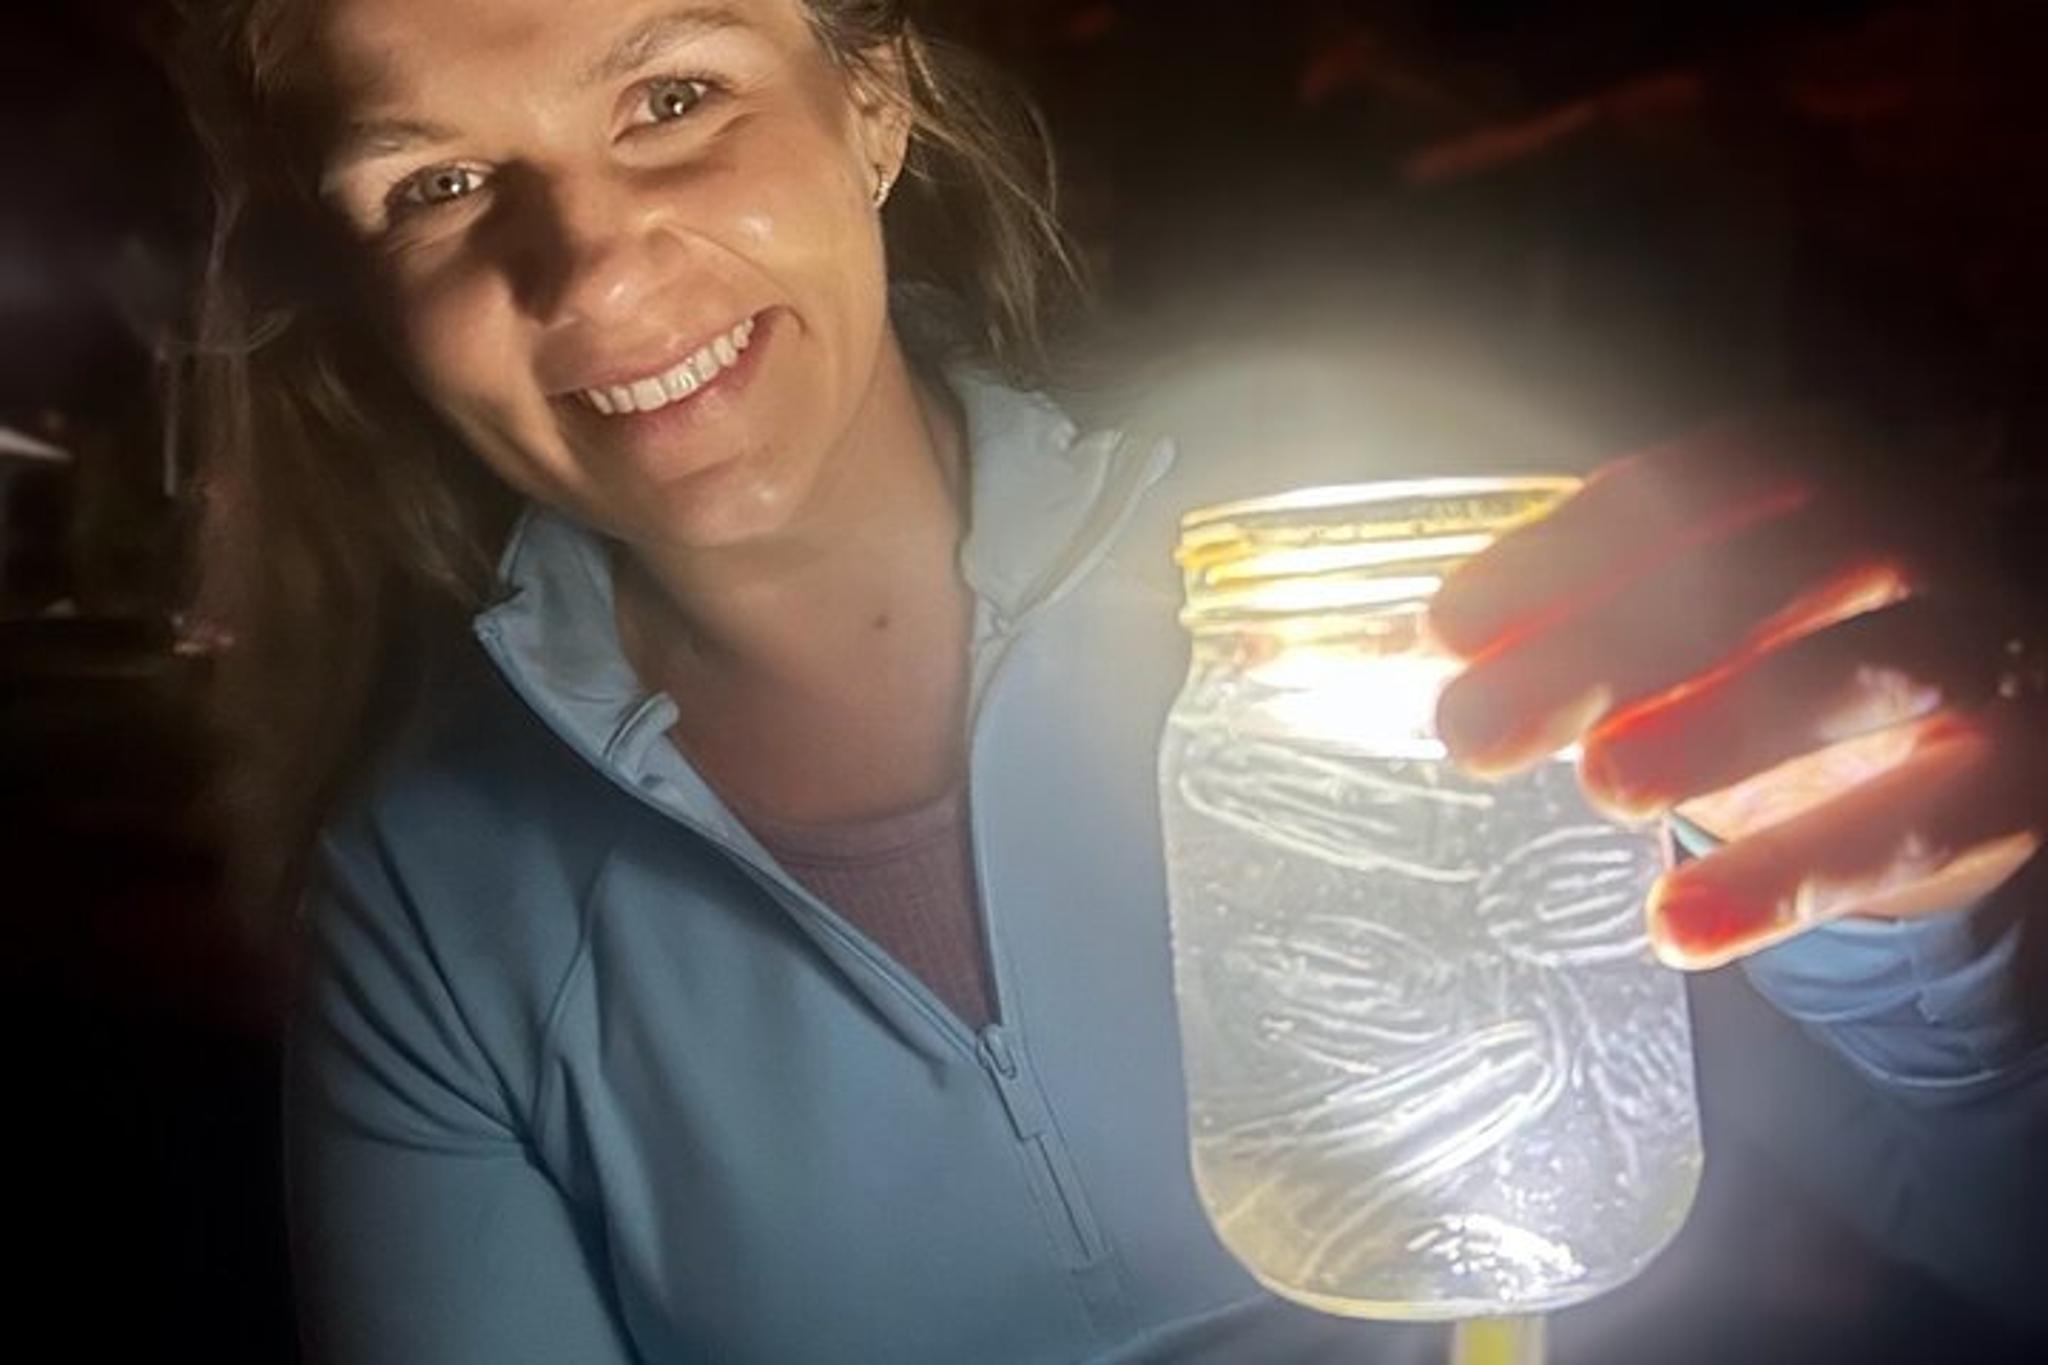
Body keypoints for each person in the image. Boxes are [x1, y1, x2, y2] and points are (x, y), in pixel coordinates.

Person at [168, 0, 2046, 1360]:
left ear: (873, 110)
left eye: (673, 94)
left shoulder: (1403, 607)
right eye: (439, 181)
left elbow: (1984, 1221)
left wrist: (1936, 931)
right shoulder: (435, 899)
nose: (584, 259)